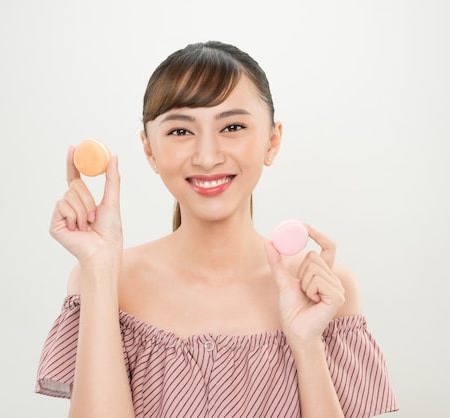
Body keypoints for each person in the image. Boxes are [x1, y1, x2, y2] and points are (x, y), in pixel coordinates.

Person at [35, 41, 398, 418]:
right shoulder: (103, 280)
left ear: (272, 142)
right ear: (149, 151)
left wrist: (306, 343)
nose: (207, 156)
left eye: (233, 126)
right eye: (180, 131)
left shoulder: (324, 290)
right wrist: (98, 268)